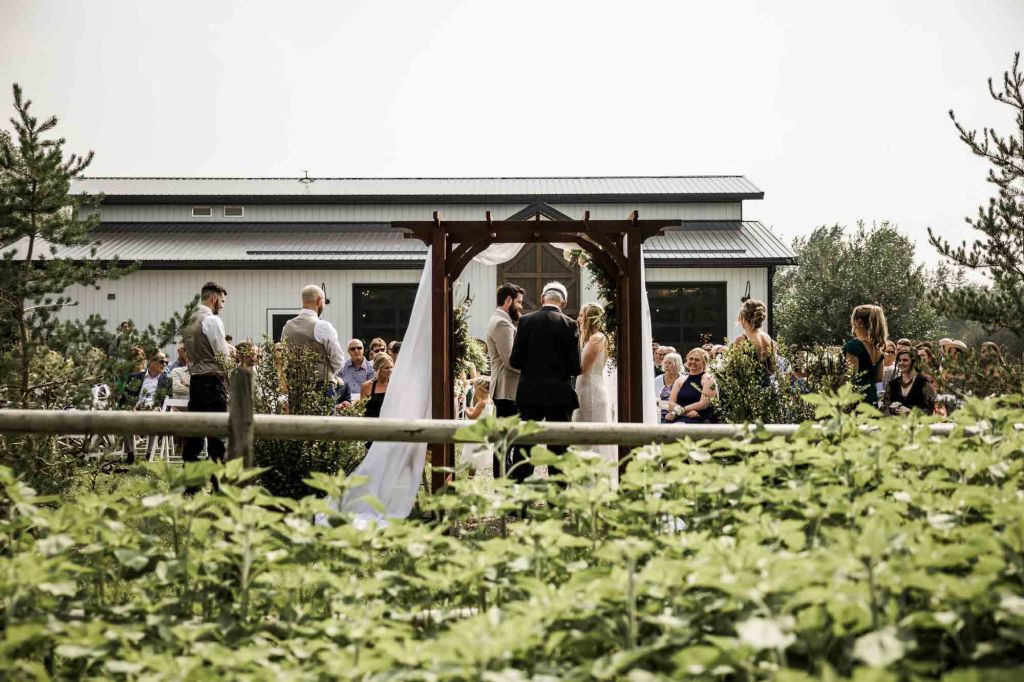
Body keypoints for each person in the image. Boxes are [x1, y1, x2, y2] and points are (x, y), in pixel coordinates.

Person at [509, 281, 581, 483]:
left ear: (542, 299)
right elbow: (575, 367)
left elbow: (515, 360)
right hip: (559, 393)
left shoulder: (525, 322)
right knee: (558, 447)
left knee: (524, 445)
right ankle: (556, 499)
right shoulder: (571, 324)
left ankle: (520, 497)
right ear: (563, 302)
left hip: (530, 392)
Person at [181, 281, 232, 478]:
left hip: (195, 381)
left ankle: (191, 486)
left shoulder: (188, 320)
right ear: (214, 298)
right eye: (222, 300)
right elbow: (222, 355)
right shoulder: (212, 321)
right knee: (217, 436)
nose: (222, 305)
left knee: (194, 435)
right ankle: (220, 487)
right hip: (214, 381)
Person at [281, 284, 350, 408]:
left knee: (298, 425)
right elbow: (338, 360)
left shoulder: (287, 327)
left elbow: (285, 355)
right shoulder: (322, 326)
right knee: (325, 426)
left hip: (296, 387)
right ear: (319, 301)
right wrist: (326, 371)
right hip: (321, 387)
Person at [486, 282, 524, 477]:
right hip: (507, 389)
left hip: (506, 388)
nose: (520, 306)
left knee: (506, 440)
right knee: (505, 441)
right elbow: (510, 360)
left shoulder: (501, 320)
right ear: (508, 300)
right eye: (518, 302)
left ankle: (504, 478)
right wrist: (532, 369)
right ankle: (502, 479)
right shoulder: (502, 323)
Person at [573, 303, 615, 461]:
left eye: (581, 315)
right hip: (586, 388)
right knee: (582, 433)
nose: (578, 319)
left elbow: (582, 367)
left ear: (590, 318)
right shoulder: (593, 338)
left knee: (590, 435)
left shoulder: (597, 338)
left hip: (591, 390)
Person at [843, 304, 888, 405]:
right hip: (872, 396)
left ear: (858, 321)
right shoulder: (878, 349)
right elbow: (879, 379)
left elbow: (851, 377)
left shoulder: (853, 346)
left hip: (856, 398)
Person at [666, 348, 718, 423]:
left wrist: (681, 410)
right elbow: (671, 404)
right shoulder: (680, 380)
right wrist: (685, 413)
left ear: (704, 363)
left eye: (697, 360)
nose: (693, 361)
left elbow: (703, 404)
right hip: (681, 416)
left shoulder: (708, 379)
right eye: (691, 359)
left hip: (700, 418)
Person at [733, 299, 776, 383]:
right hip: (766, 386)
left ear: (743, 316)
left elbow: (734, 369)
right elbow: (773, 368)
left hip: (748, 387)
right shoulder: (767, 337)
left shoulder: (741, 339)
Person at [881, 348, 935, 415]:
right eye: (899, 360)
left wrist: (911, 412)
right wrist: (892, 410)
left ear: (914, 362)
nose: (901, 363)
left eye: (905, 360)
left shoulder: (923, 382)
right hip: (896, 423)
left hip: (916, 423)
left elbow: (930, 409)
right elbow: (885, 407)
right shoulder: (893, 384)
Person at [461, 376, 495, 473]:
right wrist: (474, 409)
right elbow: (483, 414)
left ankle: (470, 477)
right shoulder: (490, 402)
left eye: (475, 389)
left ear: (480, 390)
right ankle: (471, 476)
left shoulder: (481, 403)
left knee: (472, 457)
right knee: (475, 458)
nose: (474, 391)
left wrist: (466, 410)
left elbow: (472, 416)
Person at [361, 352, 393, 419]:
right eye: (386, 368)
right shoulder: (367, 386)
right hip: (371, 425)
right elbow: (361, 410)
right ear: (378, 369)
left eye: (391, 367)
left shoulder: (394, 385)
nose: (390, 370)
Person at [655, 352, 682, 423]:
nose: (666, 365)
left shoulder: (683, 380)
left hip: (680, 416)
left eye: (670, 363)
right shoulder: (657, 380)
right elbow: (654, 402)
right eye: (665, 363)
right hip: (659, 416)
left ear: (677, 364)